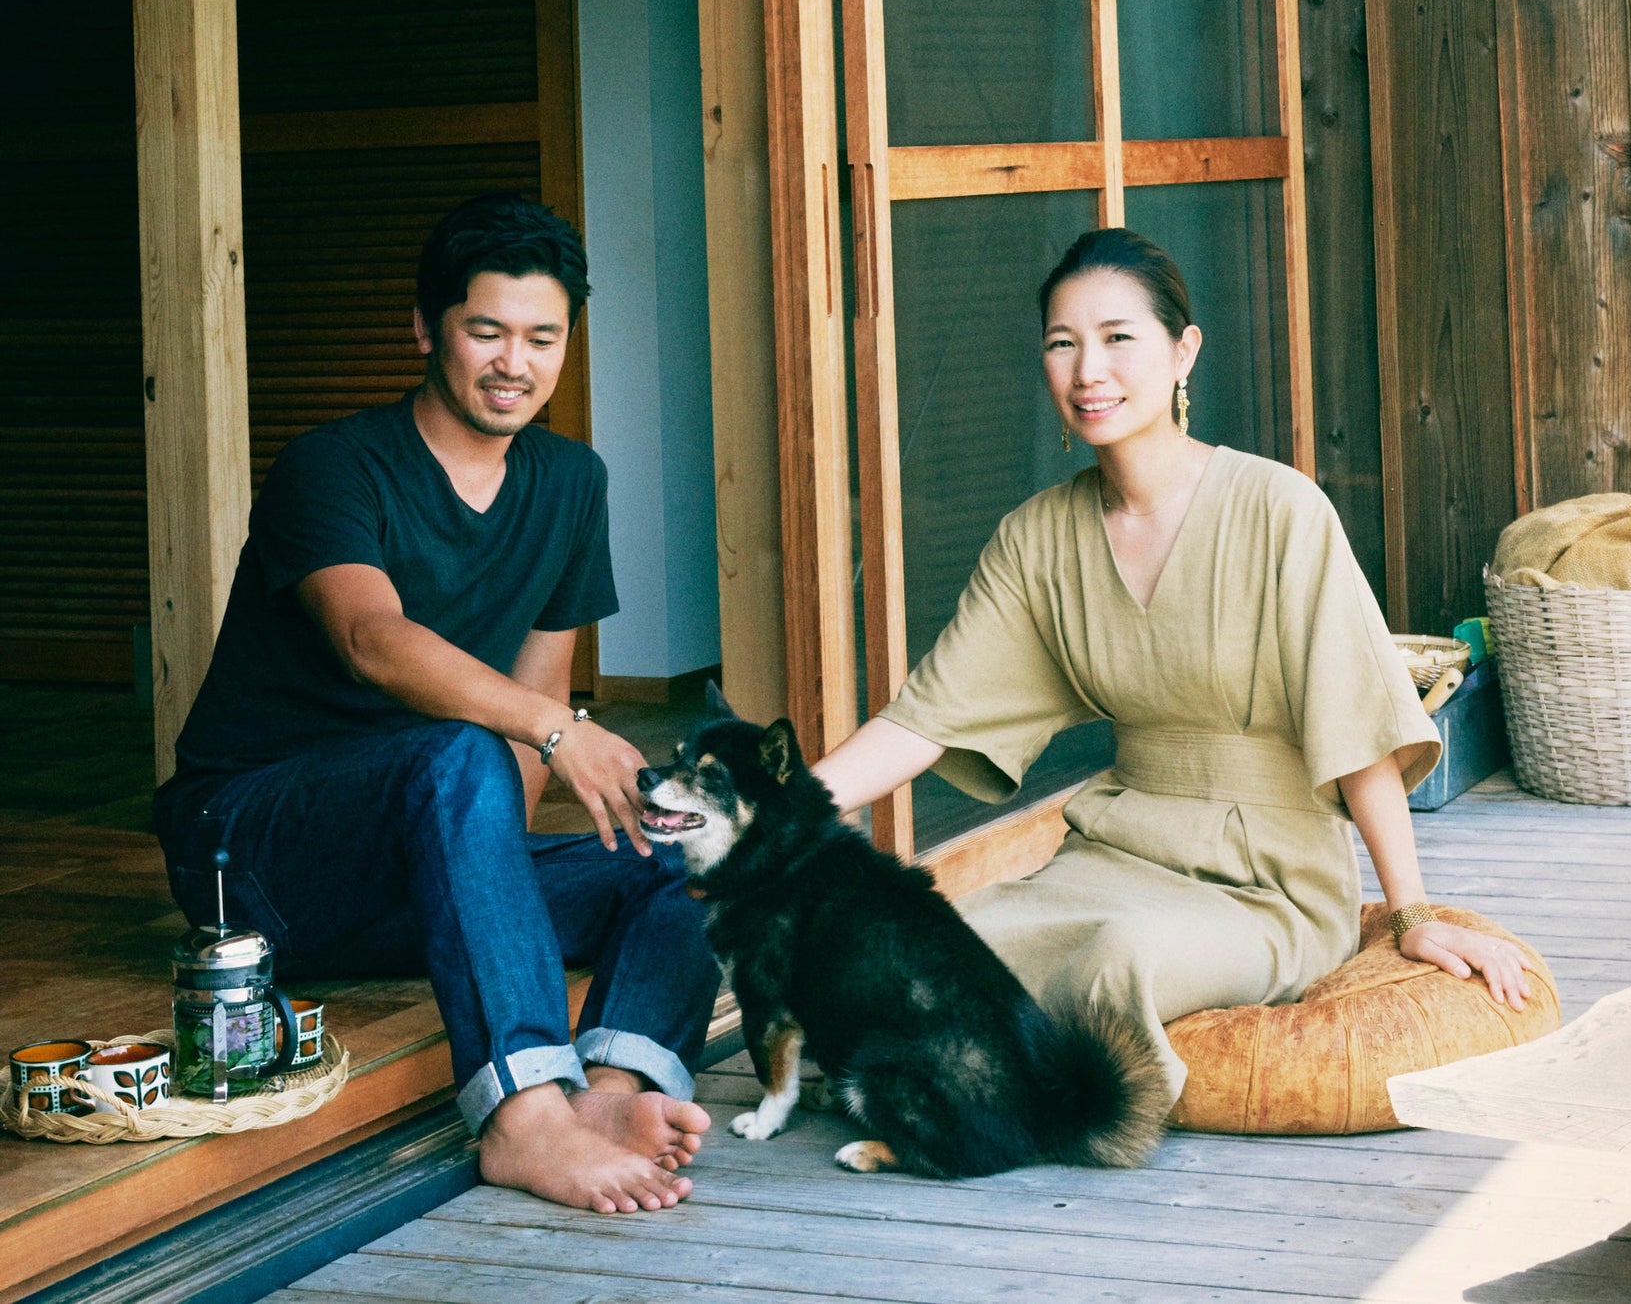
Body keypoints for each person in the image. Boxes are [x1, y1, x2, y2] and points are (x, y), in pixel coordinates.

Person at [815, 226, 1527, 1100]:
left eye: (1118, 337)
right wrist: (770, 814)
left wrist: (1410, 911)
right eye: (1063, 344)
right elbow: (926, 717)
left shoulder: (1280, 509)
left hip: (1271, 882)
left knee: (1119, 959)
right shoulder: (1036, 537)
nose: (1089, 370)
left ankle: (977, 1103)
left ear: (1184, 352)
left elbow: (1362, 730)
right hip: (1118, 852)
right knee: (924, 953)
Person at [154, 195, 715, 1215]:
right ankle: (524, 1115)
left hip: (419, 854)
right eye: (485, 331)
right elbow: (372, 640)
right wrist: (560, 733)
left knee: (687, 858)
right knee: (458, 750)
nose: (514, 364)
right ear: (426, 328)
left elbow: (540, 695)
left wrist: (490, 844)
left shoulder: (569, 482)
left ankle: (611, 1089)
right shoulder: (332, 465)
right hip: (253, 856)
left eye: (542, 338)